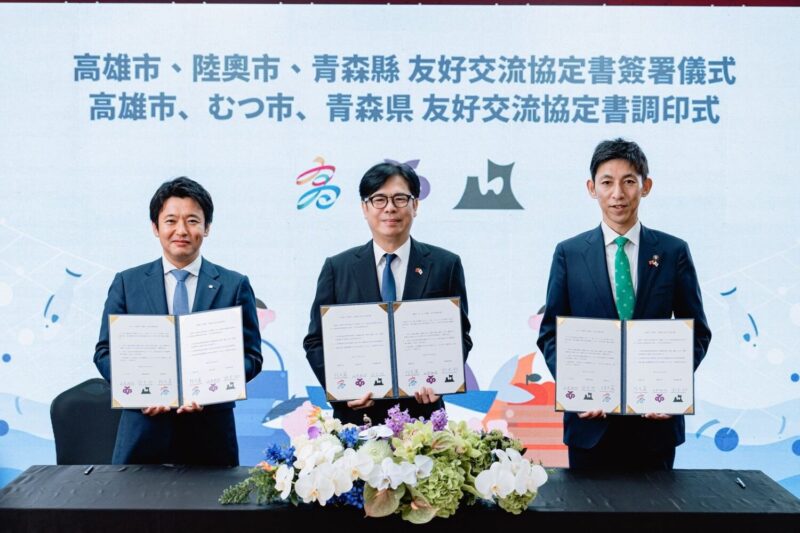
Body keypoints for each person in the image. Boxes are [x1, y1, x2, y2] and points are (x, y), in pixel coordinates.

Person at [537, 138, 711, 469]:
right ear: (592, 188)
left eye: (629, 181)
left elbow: (697, 331)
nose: (618, 193)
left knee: (657, 506)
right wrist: (576, 388)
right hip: (590, 424)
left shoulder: (673, 252)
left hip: (655, 423)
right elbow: (550, 335)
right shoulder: (569, 254)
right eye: (607, 182)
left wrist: (670, 388)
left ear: (646, 186)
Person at [94, 177, 262, 465]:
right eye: (170, 221)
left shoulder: (234, 285)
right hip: (143, 435)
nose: (181, 230)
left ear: (207, 227)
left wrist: (213, 387)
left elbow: (252, 357)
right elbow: (104, 352)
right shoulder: (127, 283)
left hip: (210, 437)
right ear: (155, 227)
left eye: (192, 221)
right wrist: (139, 391)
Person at [303, 162, 472, 425]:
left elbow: (460, 335)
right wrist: (342, 392)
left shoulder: (445, 265)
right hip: (357, 419)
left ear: (415, 205)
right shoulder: (338, 268)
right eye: (379, 199)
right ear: (364, 208)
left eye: (400, 199)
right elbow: (315, 341)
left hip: (422, 419)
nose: (390, 208)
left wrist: (440, 381)